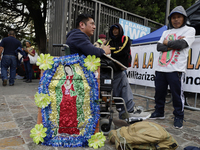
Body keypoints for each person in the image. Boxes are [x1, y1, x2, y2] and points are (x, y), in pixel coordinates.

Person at [66, 13, 150, 120]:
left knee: (117, 74)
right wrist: (103, 50)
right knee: (119, 75)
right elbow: (92, 51)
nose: (94, 27)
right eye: (92, 24)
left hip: (82, 73)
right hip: (84, 77)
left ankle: (125, 110)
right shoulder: (78, 36)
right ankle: (128, 110)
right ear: (82, 25)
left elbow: (89, 52)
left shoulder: (76, 36)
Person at [149, 6, 196, 129]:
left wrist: (167, 43)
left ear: (184, 18)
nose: (175, 20)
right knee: (159, 93)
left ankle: (179, 116)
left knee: (176, 95)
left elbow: (182, 44)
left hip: (176, 69)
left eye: (178, 17)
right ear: (170, 20)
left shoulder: (189, 30)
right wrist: (172, 45)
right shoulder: (166, 32)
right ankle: (159, 112)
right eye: (173, 18)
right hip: (161, 68)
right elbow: (159, 47)